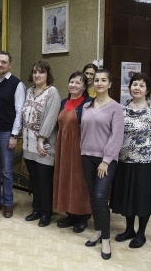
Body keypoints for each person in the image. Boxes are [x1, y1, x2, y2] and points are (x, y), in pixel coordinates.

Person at [81, 69, 124, 260]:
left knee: (99, 197)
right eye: (96, 80)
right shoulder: (87, 106)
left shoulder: (116, 108)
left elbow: (117, 137)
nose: (99, 83)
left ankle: (106, 239)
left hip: (105, 160)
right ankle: (98, 231)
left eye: (103, 80)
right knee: (93, 195)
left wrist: (106, 160)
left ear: (110, 84)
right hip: (87, 157)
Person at [110, 73, 151, 249]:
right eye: (135, 84)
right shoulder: (122, 109)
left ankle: (141, 233)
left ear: (147, 90)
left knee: (142, 198)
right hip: (124, 160)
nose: (137, 88)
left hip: (145, 162)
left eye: (142, 85)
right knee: (127, 196)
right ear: (129, 88)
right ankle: (129, 230)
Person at [0, 51, 26, 218]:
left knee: (7, 171)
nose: (0, 65)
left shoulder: (17, 84)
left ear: (10, 64)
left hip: (6, 133)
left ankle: (8, 203)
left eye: (4, 62)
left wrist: (14, 135)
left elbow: (19, 112)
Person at [22, 61, 61, 227]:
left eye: (41, 72)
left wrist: (41, 139)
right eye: (35, 72)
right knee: (35, 179)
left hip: (43, 146)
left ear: (47, 75)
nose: (37, 75)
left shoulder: (52, 93)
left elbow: (51, 118)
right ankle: (36, 209)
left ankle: (46, 213)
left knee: (45, 180)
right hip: (28, 145)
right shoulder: (29, 91)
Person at [53, 71, 92, 233]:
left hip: (79, 148)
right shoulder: (64, 102)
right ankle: (70, 213)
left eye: (78, 83)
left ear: (84, 86)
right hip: (63, 147)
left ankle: (82, 216)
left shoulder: (89, 103)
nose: (74, 85)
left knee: (79, 182)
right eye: (71, 82)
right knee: (65, 179)